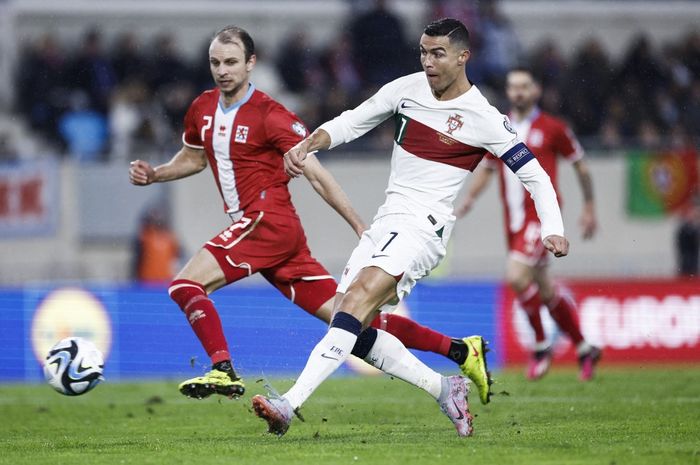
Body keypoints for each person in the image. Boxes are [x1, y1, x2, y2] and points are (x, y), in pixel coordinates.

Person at [128, 26, 489, 402]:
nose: (223, 70)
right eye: (216, 62)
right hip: (272, 236)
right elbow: (193, 156)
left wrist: (358, 225)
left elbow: (317, 174)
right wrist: (157, 173)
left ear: (251, 64)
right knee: (352, 322)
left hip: (266, 222)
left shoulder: (271, 115)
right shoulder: (201, 107)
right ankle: (461, 351)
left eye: (232, 62)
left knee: (185, 285)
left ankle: (223, 370)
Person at [252, 18, 568, 438]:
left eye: (438, 53)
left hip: (424, 228)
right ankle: (444, 388)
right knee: (356, 326)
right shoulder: (406, 89)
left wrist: (554, 226)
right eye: (423, 51)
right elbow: (352, 120)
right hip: (386, 222)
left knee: (355, 302)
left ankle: (288, 405)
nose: (428, 61)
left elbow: (536, 176)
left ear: (462, 57)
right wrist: (309, 142)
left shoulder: (484, 118)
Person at [455, 67, 601, 381]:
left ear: (535, 90)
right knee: (546, 289)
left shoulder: (553, 128)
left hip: (540, 219)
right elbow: (488, 169)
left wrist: (589, 207)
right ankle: (585, 347)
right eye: (512, 87)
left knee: (517, 276)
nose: (518, 92)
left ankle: (539, 345)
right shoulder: (500, 126)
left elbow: (581, 167)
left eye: (524, 86)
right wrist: (470, 198)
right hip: (514, 222)